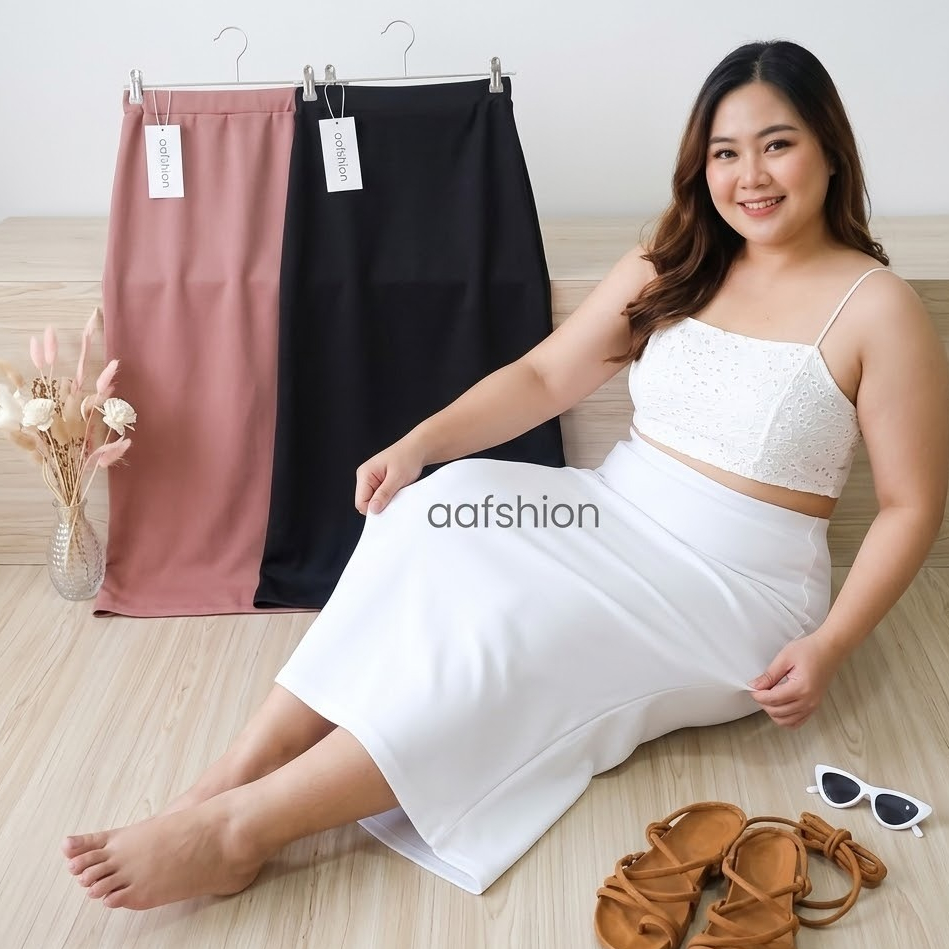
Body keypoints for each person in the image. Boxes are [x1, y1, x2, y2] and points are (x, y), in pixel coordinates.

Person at [62, 39, 948, 911]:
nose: (749, 175)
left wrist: (830, 645)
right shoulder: (678, 260)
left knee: (516, 634)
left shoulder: (875, 307)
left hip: (734, 587)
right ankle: (227, 776)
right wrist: (421, 443)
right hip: (615, 508)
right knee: (431, 509)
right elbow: (543, 377)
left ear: (829, 149)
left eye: (776, 144)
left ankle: (240, 831)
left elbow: (909, 505)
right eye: (724, 152)